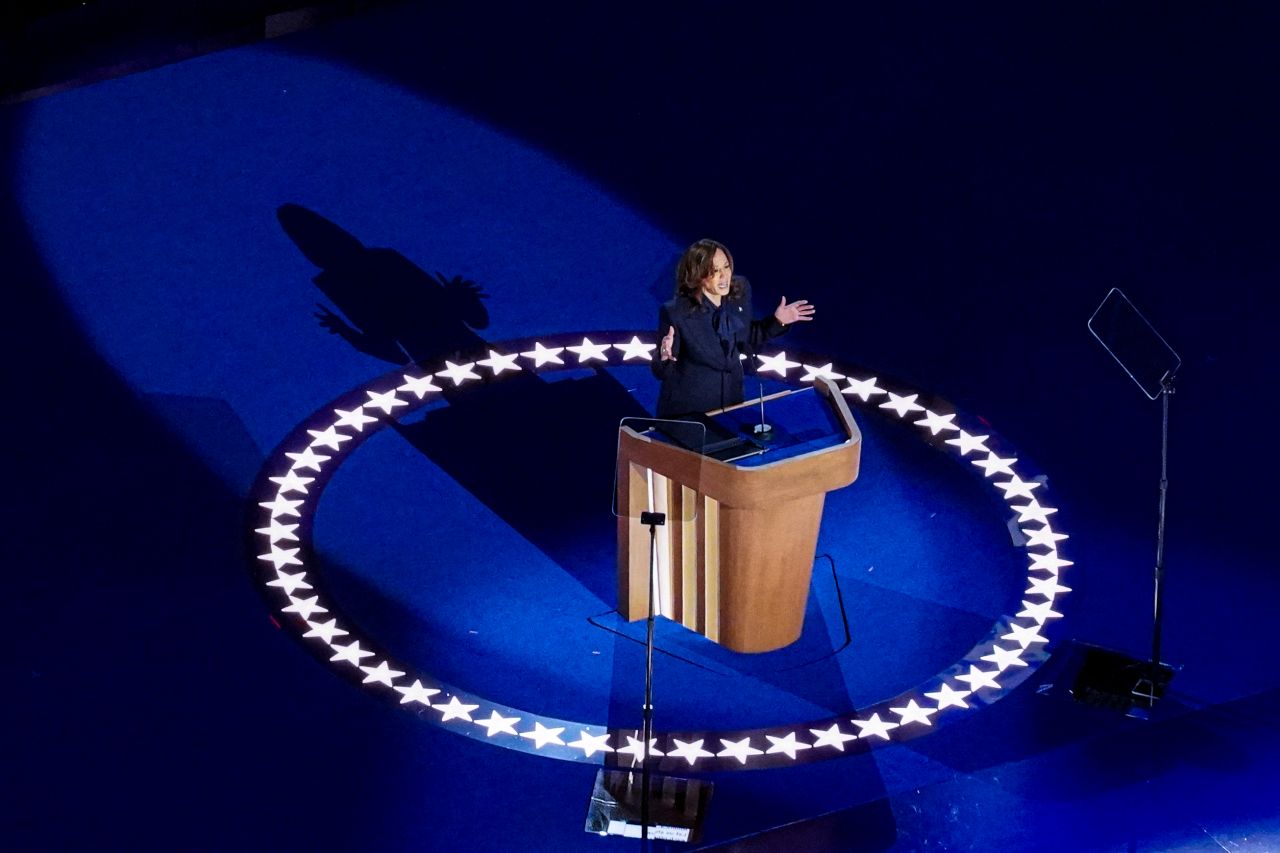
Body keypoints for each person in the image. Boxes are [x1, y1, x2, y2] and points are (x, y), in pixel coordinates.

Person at [652, 239, 815, 418]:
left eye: (726, 267)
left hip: (731, 405)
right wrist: (664, 355)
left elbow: (745, 336)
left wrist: (778, 321)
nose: (724, 276)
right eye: (715, 271)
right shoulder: (677, 312)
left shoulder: (738, 293)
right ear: (698, 275)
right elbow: (662, 371)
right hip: (690, 413)